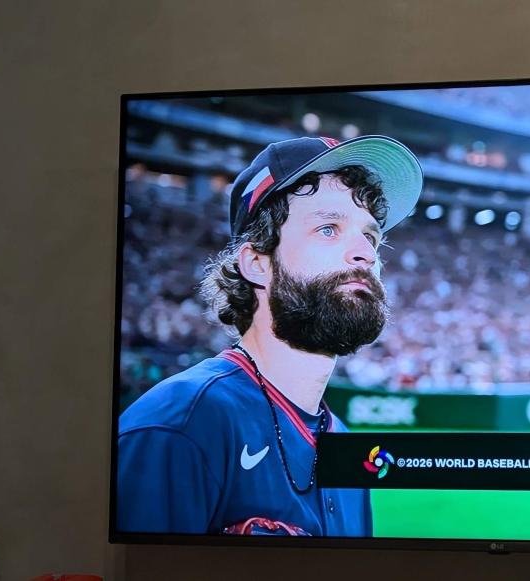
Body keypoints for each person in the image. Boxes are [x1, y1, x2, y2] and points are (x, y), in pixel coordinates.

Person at [116, 135, 423, 536]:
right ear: (257, 264)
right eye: (328, 229)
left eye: (370, 236)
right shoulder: (180, 426)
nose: (366, 253)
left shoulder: (345, 444)